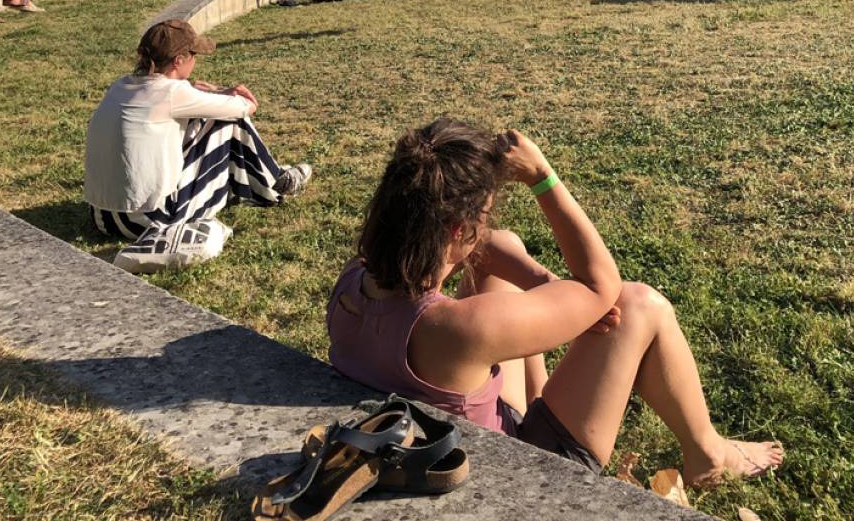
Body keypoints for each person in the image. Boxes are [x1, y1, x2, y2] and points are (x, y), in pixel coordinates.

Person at [328, 120, 785, 483]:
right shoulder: (456, 330)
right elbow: (602, 285)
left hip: (445, 425)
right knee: (642, 304)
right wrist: (543, 178)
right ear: (456, 230)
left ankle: (551, 391)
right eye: (481, 217)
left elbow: (493, 244)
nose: (485, 229)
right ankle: (708, 453)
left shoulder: (355, 279)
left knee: (501, 256)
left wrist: (545, 284)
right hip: (513, 469)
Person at [83, 19, 312, 273]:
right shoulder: (173, 93)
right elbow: (245, 107)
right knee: (228, 122)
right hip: (148, 220)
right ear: (179, 60)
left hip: (103, 216)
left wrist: (199, 91)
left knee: (203, 121)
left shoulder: (120, 86)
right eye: (193, 54)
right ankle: (277, 181)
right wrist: (222, 92)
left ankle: (262, 179)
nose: (195, 60)